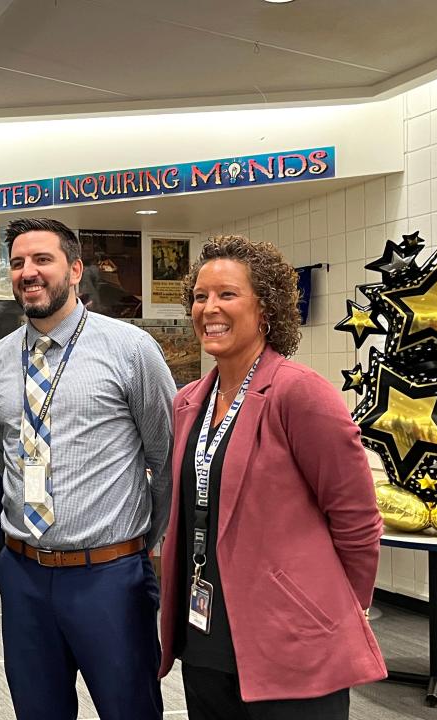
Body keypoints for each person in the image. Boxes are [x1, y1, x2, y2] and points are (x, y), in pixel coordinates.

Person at [158, 235, 386, 719]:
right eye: (200, 297)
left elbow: (357, 519)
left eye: (227, 294)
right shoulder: (188, 402)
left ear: (266, 309)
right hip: (205, 638)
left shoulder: (300, 395)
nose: (209, 308)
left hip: (292, 646)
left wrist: (340, 610)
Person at [0, 217, 176, 720]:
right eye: (18, 262)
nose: (28, 272)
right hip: (22, 574)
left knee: (129, 709)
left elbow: (166, 459)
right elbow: (6, 451)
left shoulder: (130, 350)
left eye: (42, 259)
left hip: (109, 576)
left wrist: (143, 548)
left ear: (75, 268)